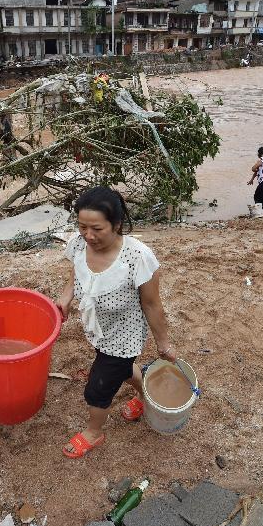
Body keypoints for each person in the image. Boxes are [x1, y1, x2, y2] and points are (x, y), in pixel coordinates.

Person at [56, 187, 176, 459]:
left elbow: (152, 304)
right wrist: (66, 298)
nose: (88, 235)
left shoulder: (137, 257)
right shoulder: (78, 244)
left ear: (117, 224)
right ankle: (147, 395)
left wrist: (164, 343)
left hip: (125, 337)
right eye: (82, 226)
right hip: (98, 329)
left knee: (98, 388)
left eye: (97, 228)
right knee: (120, 370)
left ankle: (94, 432)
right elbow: (76, 272)